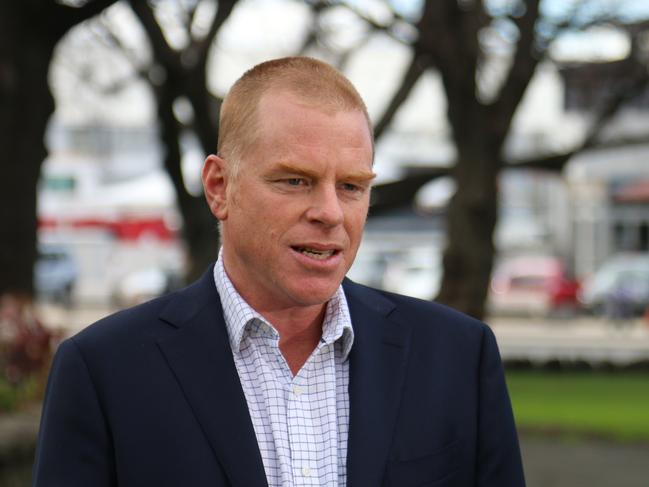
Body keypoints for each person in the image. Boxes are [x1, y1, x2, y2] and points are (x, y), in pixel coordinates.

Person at [33, 57, 525, 487]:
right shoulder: (104, 372)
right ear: (219, 187)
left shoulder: (457, 357)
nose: (330, 212)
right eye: (295, 180)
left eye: (352, 186)